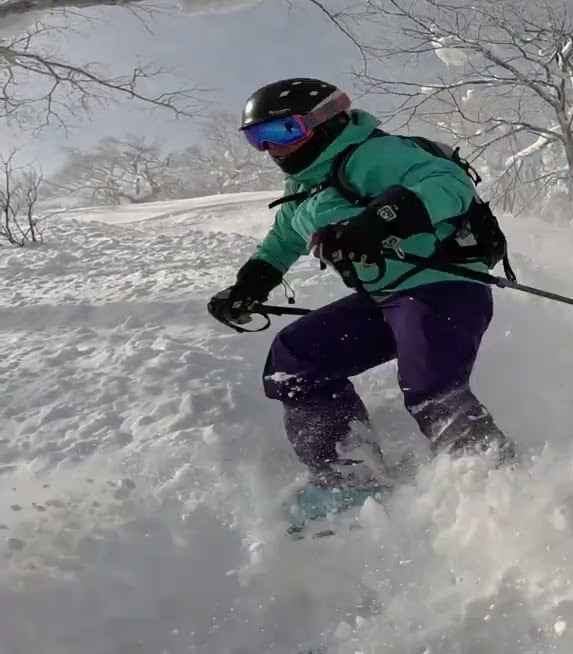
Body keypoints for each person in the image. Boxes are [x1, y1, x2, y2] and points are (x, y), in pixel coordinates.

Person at [206, 78, 515, 535]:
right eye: (259, 139)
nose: (272, 149)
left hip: (444, 288)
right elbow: (280, 244)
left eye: (284, 133)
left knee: (430, 384)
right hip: (386, 299)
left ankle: (500, 491)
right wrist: (246, 288)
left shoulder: (370, 155)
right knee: (297, 356)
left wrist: (374, 222)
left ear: (324, 122)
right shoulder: (304, 191)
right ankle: (349, 476)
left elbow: (447, 184)